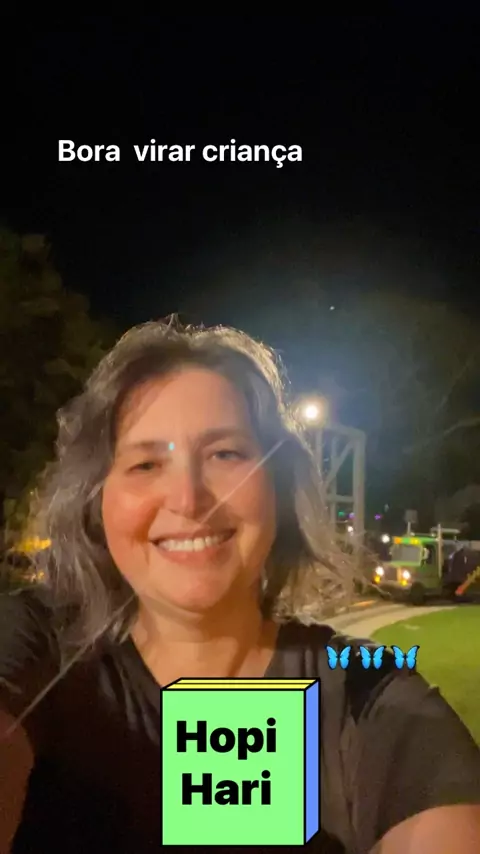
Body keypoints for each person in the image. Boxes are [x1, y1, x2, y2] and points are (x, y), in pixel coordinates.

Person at [0, 318, 479, 854]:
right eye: (145, 463)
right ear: (96, 503)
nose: (188, 499)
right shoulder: (36, 646)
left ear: (279, 487)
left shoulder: (365, 688)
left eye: (225, 454)